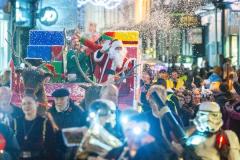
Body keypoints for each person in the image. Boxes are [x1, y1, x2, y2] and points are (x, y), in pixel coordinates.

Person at [45, 88, 87, 160]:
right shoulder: (49, 113)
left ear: (67, 99)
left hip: (73, 150)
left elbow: (85, 131)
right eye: (56, 99)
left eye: (62, 99)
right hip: (54, 150)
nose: (58, 102)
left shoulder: (78, 111)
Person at [15, 94, 47, 160]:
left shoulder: (44, 122)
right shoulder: (15, 122)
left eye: (29, 103)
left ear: (37, 104)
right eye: (23, 104)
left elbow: (49, 145)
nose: (26, 106)